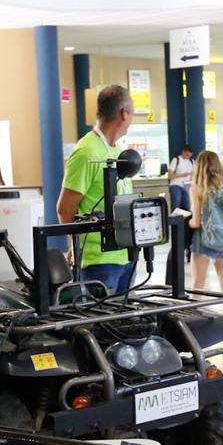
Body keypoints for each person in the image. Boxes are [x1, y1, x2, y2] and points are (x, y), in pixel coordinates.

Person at [57, 85, 136, 293]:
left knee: (126, 323)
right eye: (132, 113)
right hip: (97, 262)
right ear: (123, 113)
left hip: (125, 256)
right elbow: (65, 209)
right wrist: (75, 247)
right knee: (101, 323)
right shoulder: (86, 151)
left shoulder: (117, 150)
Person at [187, 150, 223, 341]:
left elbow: (196, 222)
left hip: (204, 241)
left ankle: (189, 330)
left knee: (197, 285)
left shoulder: (197, 189)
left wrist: (186, 222)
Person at [167, 144, 195, 212]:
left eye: (190, 156)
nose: (188, 157)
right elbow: (170, 176)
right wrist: (182, 175)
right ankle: (175, 221)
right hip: (176, 185)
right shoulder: (176, 160)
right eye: (187, 155)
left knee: (189, 207)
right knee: (176, 205)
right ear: (183, 152)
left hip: (187, 186)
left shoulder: (192, 161)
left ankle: (187, 222)